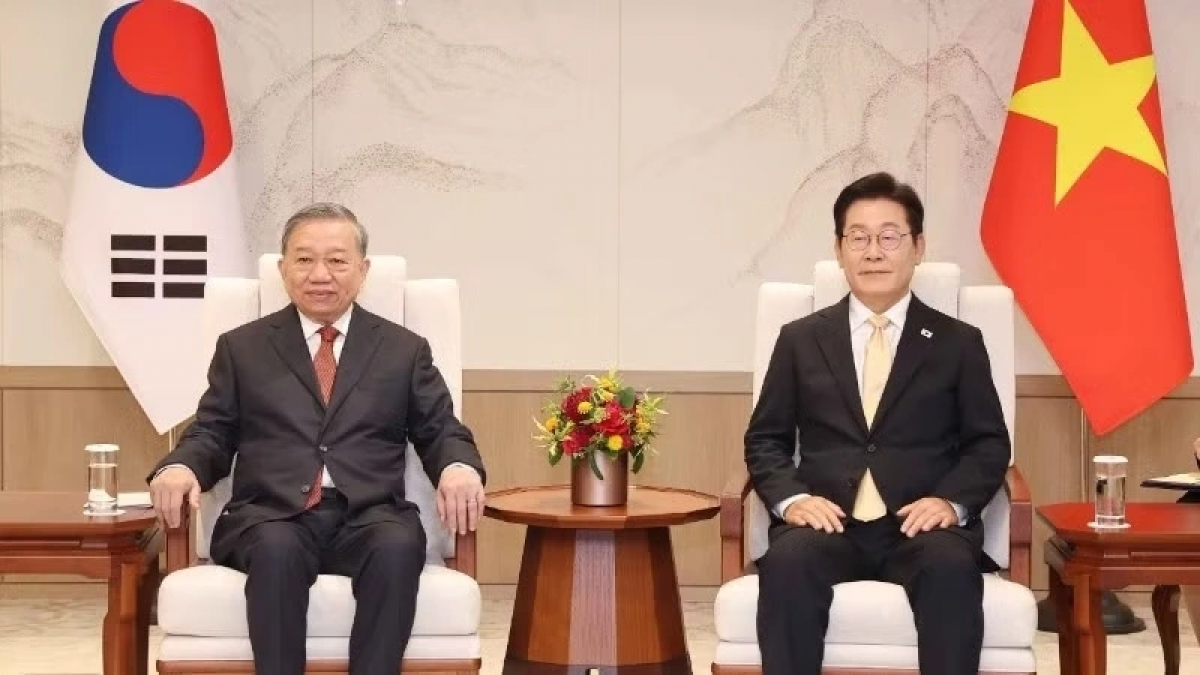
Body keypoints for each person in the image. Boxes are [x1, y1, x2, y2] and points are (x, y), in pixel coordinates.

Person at [147, 203, 486, 675]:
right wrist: (179, 466)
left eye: (337, 260)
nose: (320, 274)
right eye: (304, 259)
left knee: (397, 548)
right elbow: (213, 430)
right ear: (283, 268)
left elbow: (440, 428)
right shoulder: (242, 347)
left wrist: (457, 467)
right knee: (276, 552)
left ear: (362, 270)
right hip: (271, 515)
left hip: (370, 515)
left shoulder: (403, 350)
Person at [745, 172, 1011, 675]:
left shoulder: (958, 342)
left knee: (952, 570)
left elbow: (988, 443)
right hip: (829, 523)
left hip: (920, 526)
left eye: (889, 237)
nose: (873, 252)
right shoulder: (800, 339)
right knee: (786, 565)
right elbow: (766, 439)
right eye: (859, 238)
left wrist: (950, 503)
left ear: (917, 247)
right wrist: (793, 499)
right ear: (840, 248)